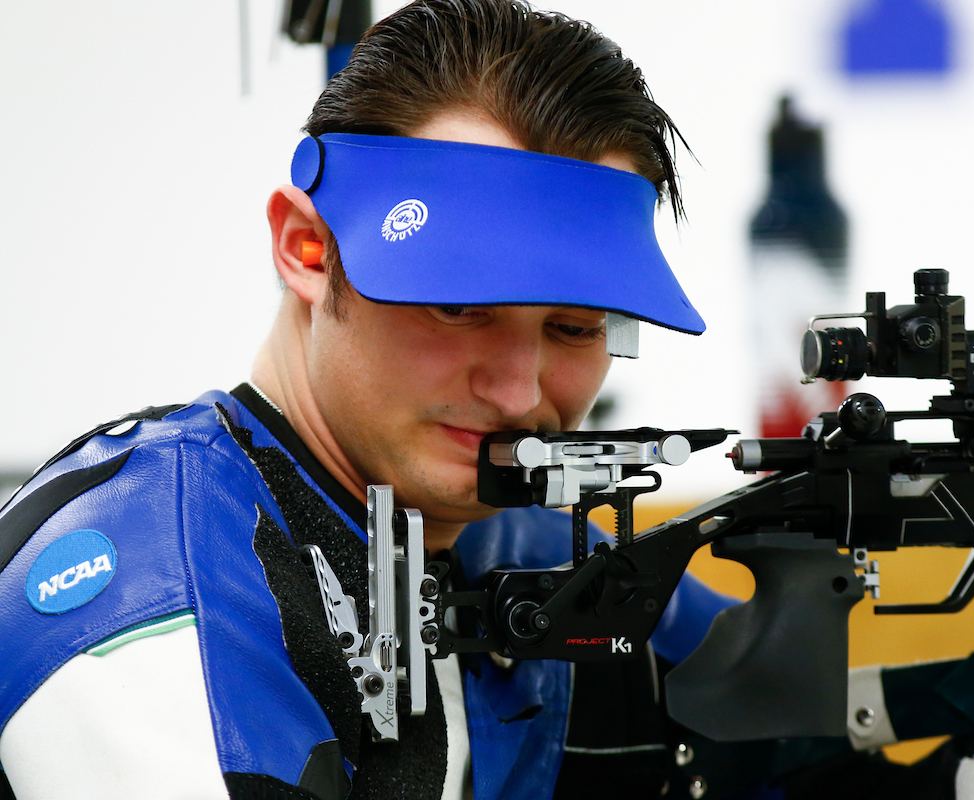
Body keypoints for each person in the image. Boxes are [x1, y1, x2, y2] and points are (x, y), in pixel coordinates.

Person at [0, 2, 734, 798]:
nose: (522, 394)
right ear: (305, 247)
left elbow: (795, 726)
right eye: (458, 307)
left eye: (575, 327)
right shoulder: (155, 600)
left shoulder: (530, 547)